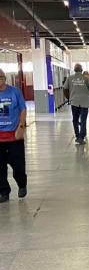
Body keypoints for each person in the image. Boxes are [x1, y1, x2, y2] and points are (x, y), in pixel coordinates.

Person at [0, 68, 27, 202]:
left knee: (19, 167)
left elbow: (23, 110)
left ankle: (22, 184)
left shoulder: (15, 92)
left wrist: (21, 127)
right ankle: (4, 192)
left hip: (14, 136)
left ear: (4, 78)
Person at [64, 64, 89, 144]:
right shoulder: (87, 78)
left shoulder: (70, 78)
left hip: (74, 102)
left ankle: (77, 136)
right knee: (83, 119)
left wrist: (69, 97)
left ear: (74, 70)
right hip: (85, 102)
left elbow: (65, 89)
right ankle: (81, 137)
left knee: (75, 119)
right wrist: (88, 94)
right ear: (81, 70)